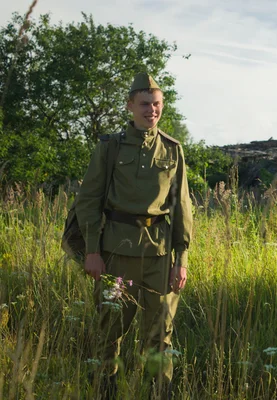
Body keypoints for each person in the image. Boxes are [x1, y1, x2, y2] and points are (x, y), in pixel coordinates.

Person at [76, 72, 193, 398]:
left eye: (156, 104)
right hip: (117, 255)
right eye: (144, 104)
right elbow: (89, 201)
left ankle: (160, 394)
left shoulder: (172, 149)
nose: (151, 110)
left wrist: (180, 260)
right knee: (109, 331)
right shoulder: (110, 147)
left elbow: (182, 207)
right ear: (130, 105)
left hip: (158, 258)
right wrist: (92, 251)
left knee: (159, 336)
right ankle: (105, 392)